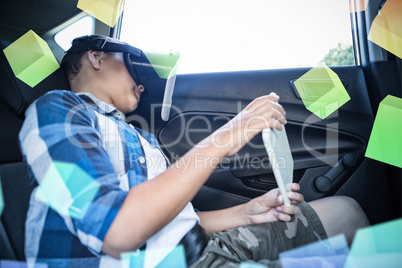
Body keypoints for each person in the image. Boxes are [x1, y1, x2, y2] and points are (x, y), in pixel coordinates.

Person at [19, 35, 369, 268]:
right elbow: (117, 231)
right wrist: (233, 131)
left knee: (347, 212)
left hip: (199, 249)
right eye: (132, 66)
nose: (141, 85)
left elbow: (179, 222)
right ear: (97, 57)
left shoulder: (139, 136)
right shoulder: (59, 111)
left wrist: (246, 213)